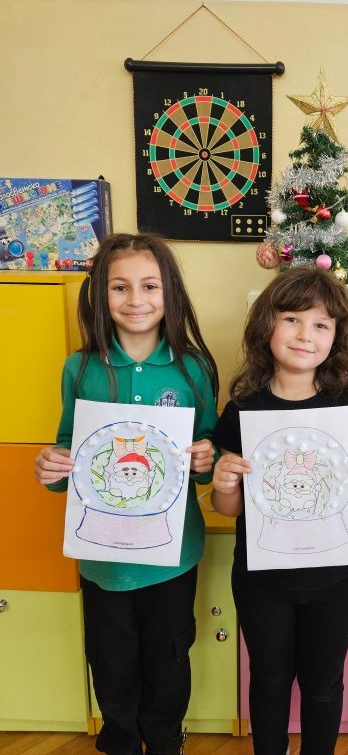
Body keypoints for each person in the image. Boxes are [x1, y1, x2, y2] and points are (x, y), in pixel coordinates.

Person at [33, 233, 219, 755]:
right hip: (103, 558)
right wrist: (52, 467)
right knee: (111, 663)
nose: (136, 299)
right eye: (120, 287)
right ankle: (118, 741)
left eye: (149, 286)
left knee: (168, 659)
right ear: (100, 294)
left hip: (172, 555)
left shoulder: (193, 368)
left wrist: (207, 459)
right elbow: (69, 450)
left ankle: (165, 740)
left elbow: (208, 450)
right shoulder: (80, 368)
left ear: (170, 292)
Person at [211, 266, 348, 755]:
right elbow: (228, 508)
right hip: (261, 578)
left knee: (324, 682)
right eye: (291, 319)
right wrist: (224, 484)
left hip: (337, 578)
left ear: (337, 336)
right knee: (268, 680)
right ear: (266, 325)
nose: (305, 334)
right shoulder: (243, 409)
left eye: (321, 324)